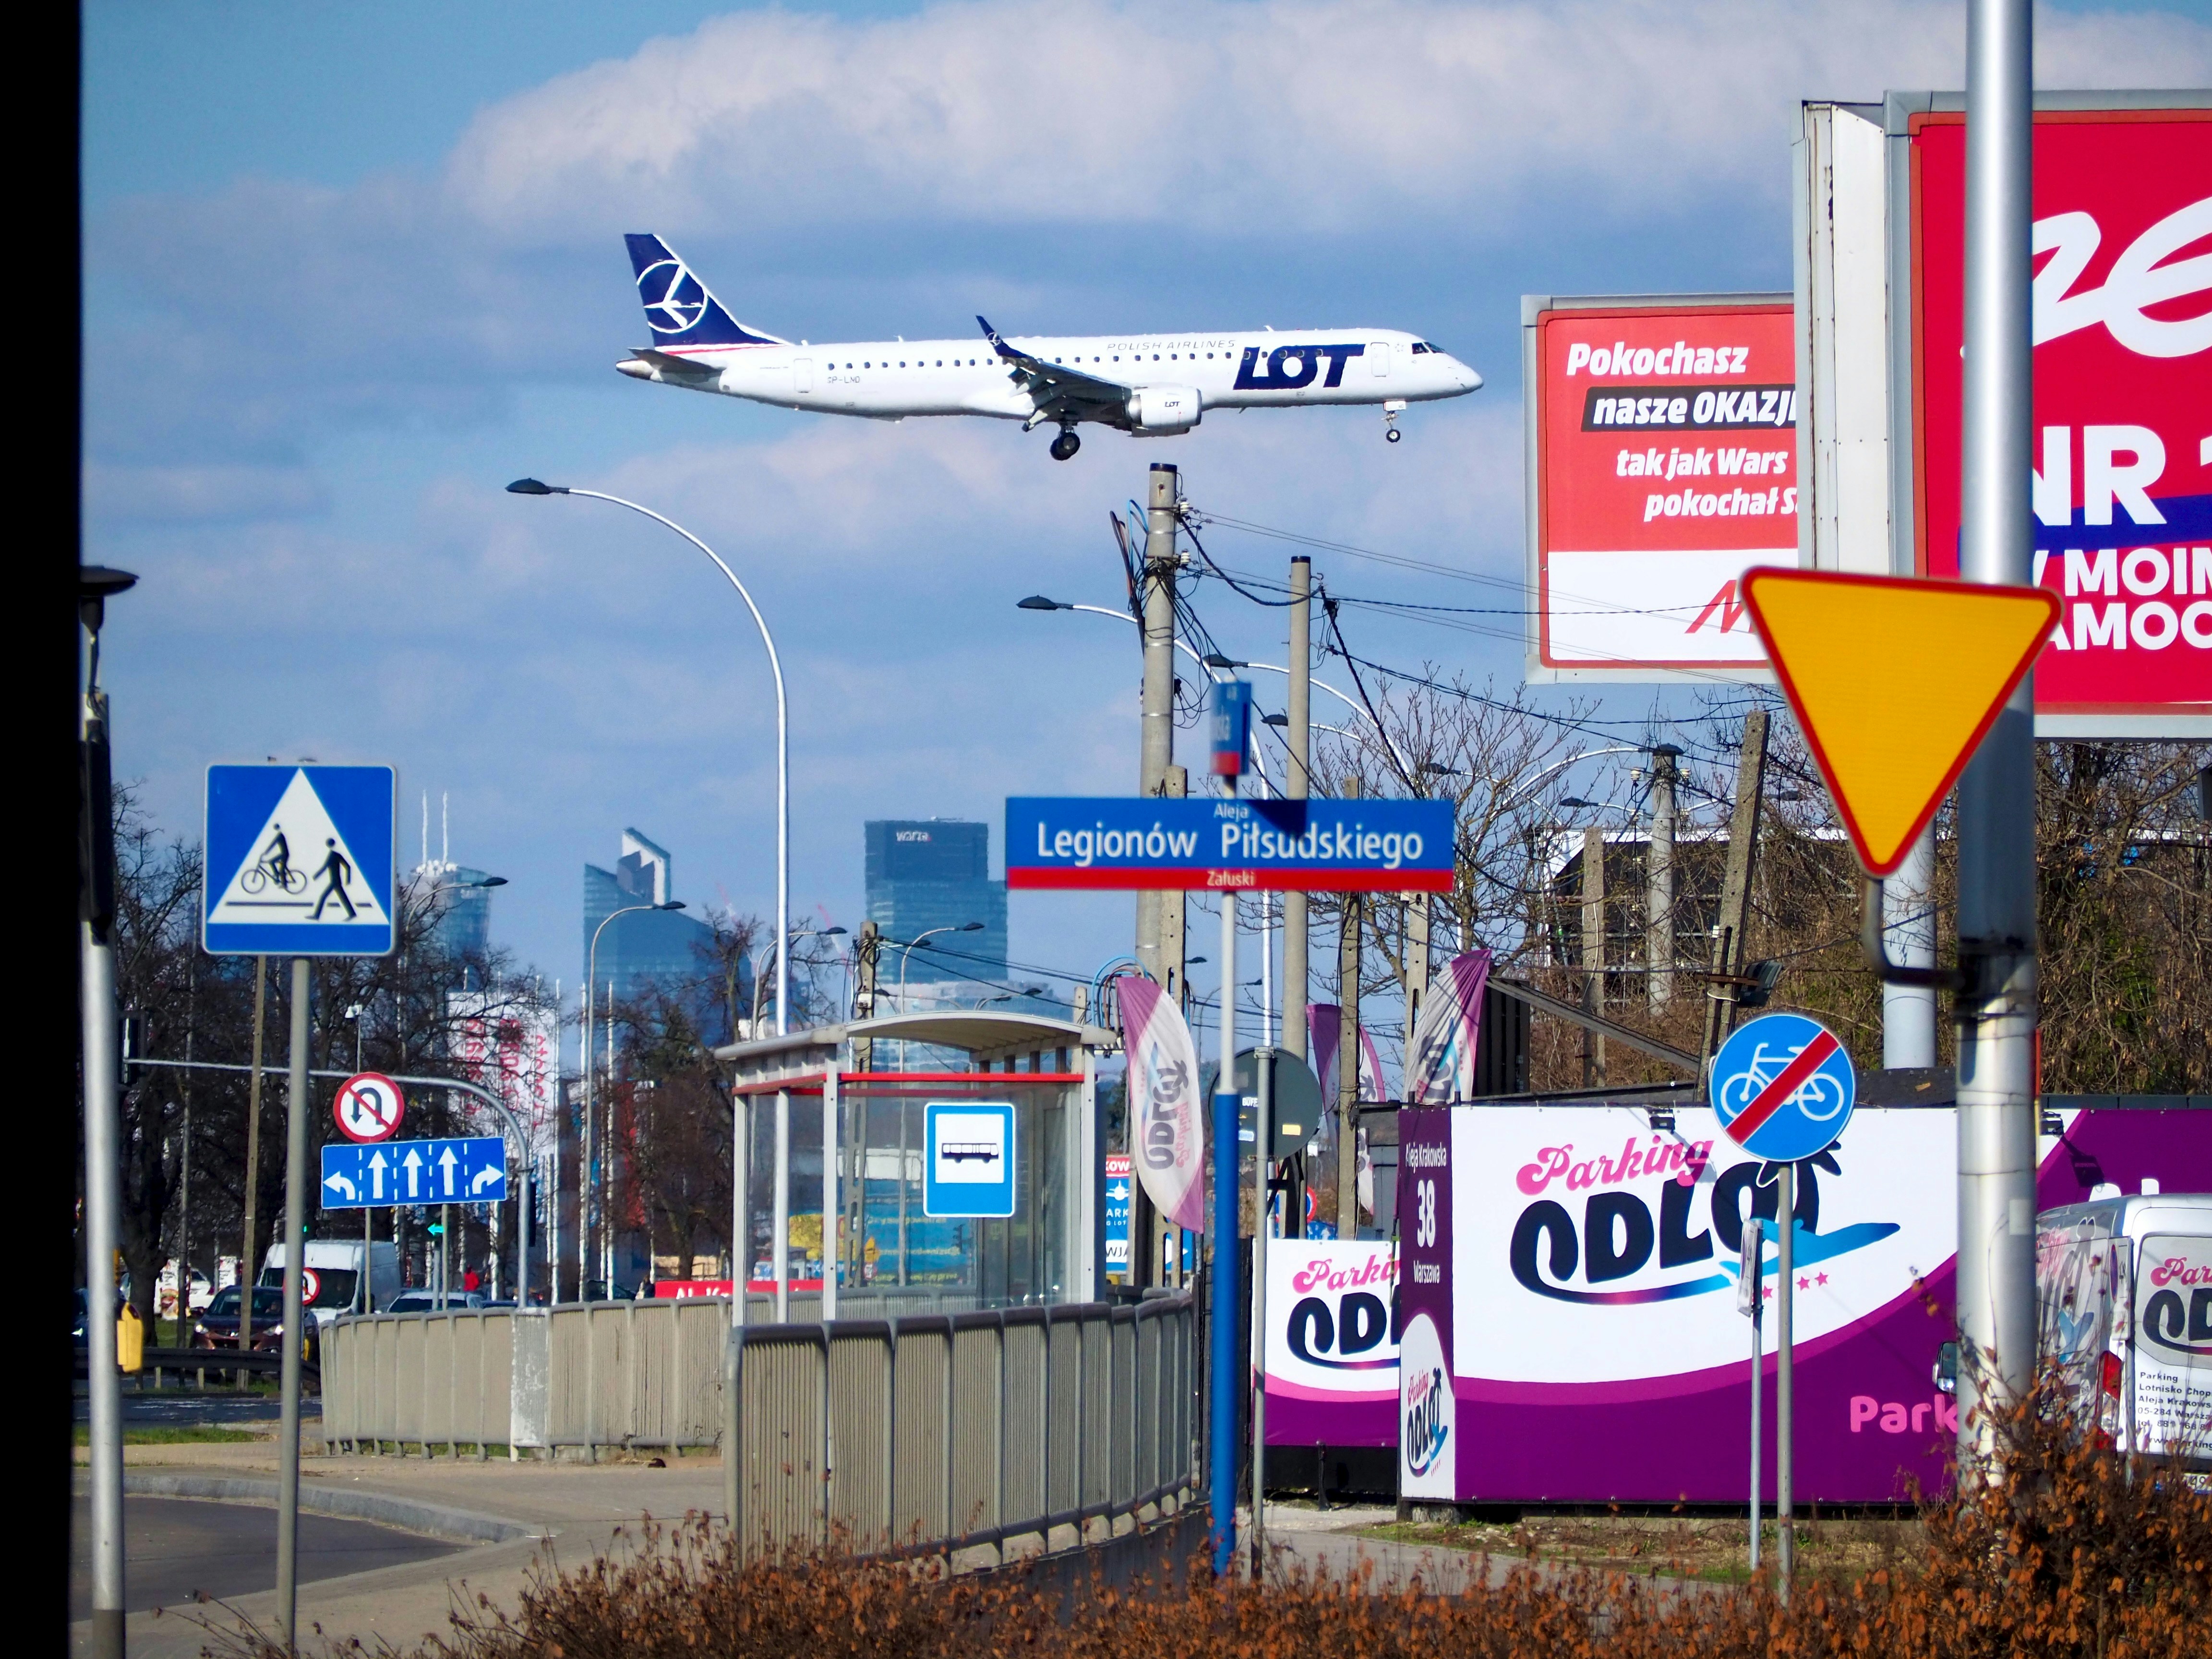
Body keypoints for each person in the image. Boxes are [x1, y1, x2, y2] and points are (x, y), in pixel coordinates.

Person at [311, 837, 357, 920]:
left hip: (335, 882)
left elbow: (325, 867)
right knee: (343, 898)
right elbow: (348, 867)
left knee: (323, 897)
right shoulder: (335, 855)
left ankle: (316, 916)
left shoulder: (333, 855)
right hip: (336, 881)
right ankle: (352, 914)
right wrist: (348, 880)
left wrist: (316, 876)